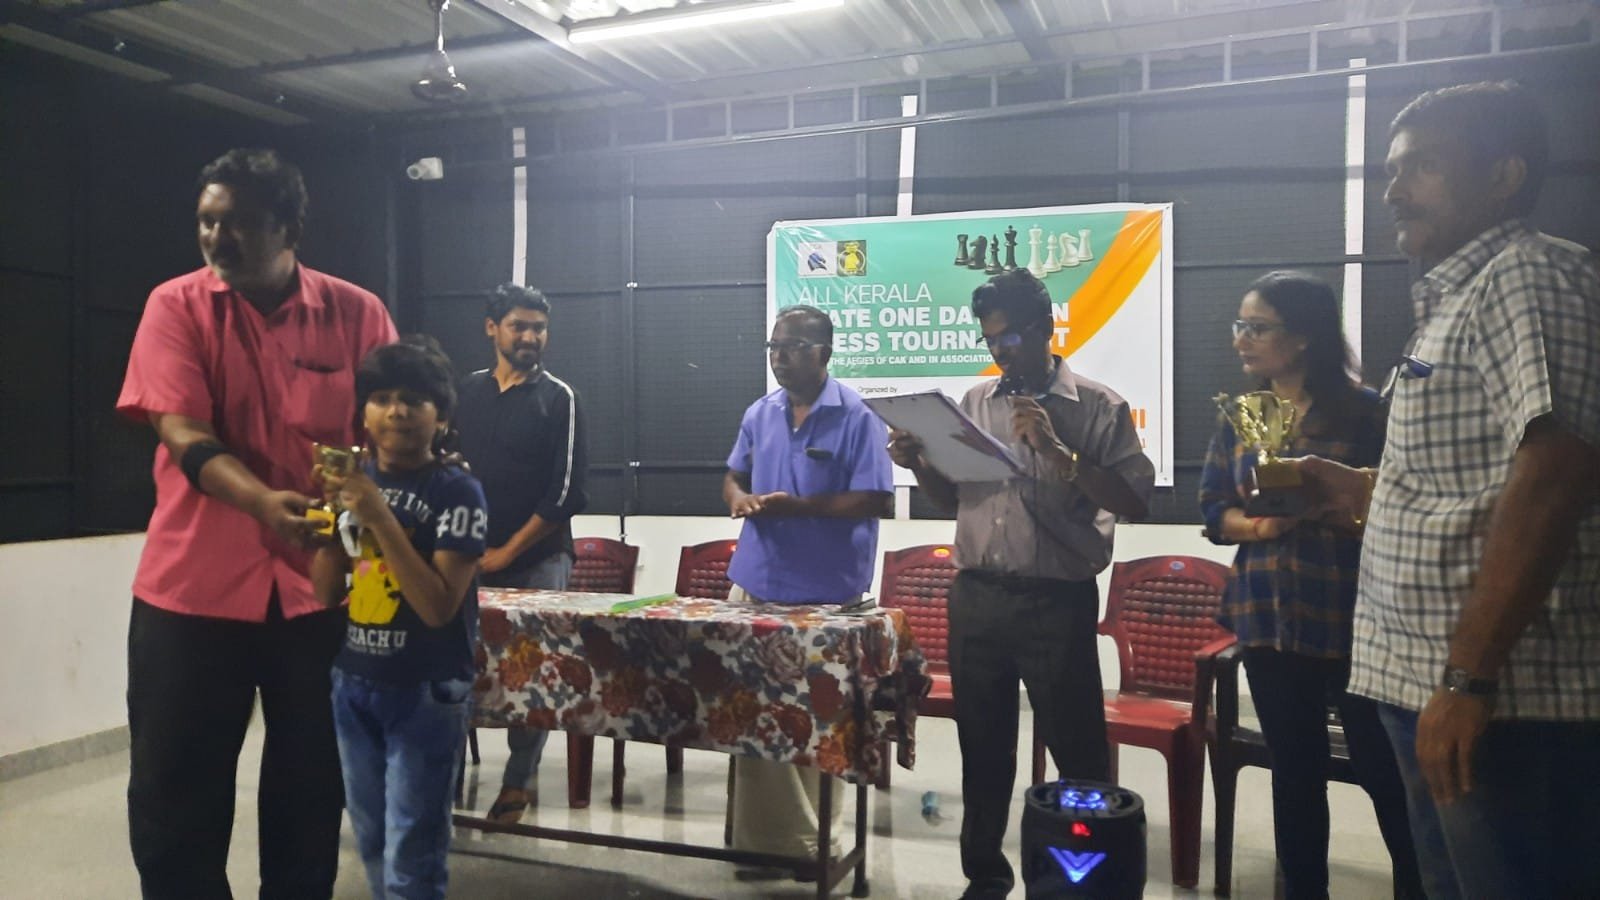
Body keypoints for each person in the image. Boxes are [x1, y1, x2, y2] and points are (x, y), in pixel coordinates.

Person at [1299, 81, 1600, 898]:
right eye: (1392, 170)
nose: (1394, 190)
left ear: (1504, 176)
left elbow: (1556, 473)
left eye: (1423, 166)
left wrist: (1468, 679)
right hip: (1437, 689)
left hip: (1505, 707)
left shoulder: (1528, 276)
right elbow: (1470, 483)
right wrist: (1360, 489)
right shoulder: (1458, 297)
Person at [116, 147, 396, 899]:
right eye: (208, 221)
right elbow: (180, 429)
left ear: (289, 229)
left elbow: (391, 433)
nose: (217, 238)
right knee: (173, 796)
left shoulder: (358, 314)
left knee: (313, 790)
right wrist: (263, 503)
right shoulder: (174, 306)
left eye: (238, 223)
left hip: (320, 594)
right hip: (192, 592)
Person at [887, 268, 1153, 899]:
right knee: (983, 749)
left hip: (1054, 600)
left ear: (1045, 328)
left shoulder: (1098, 406)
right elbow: (954, 499)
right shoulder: (975, 403)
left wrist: (1061, 454)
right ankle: (985, 877)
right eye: (989, 340)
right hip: (976, 596)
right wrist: (919, 462)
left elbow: (1135, 501)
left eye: (1008, 338)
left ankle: (1082, 884)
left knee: (1077, 751)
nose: (999, 352)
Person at [1199, 271, 1421, 899]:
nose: (1241, 340)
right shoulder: (1242, 415)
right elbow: (1213, 511)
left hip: (1355, 620)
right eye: (1239, 326)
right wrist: (1264, 525)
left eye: (1256, 327)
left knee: (1384, 771)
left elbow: (1401, 506)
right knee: (1294, 774)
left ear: (1301, 337)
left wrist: (1331, 508)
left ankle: (1420, 887)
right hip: (1268, 617)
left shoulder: (1366, 411)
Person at [310, 337, 486, 900]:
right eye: (382, 398)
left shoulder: (458, 490)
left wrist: (379, 517)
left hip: (425, 689)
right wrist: (326, 525)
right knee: (370, 842)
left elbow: (438, 607)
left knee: (413, 854)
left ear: (441, 416)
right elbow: (323, 592)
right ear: (363, 414)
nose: (397, 412)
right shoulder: (356, 483)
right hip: (354, 682)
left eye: (414, 400)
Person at [723, 304, 894, 869]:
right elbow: (734, 475)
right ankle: (760, 848)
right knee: (753, 721)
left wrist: (799, 508)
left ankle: (814, 849)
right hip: (757, 584)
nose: (780, 358)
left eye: (792, 347)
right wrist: (738, 499)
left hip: (826, 597)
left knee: (816, 727)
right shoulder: (760, 412)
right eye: (774, 347)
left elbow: (876, 498)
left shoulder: (858, 416)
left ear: (824, 352)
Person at [453, 283, 588, 823]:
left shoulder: (560, 399)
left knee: (530, 676)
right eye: (519, 326)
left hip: (540, 559)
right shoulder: (465, 392)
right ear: (493, 329)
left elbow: (566, 494)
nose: (530, 337)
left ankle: (516, 783)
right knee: (458, 667)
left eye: (539, 328)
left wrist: (507, 552)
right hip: (468, 560)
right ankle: (445, 779)